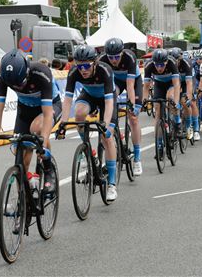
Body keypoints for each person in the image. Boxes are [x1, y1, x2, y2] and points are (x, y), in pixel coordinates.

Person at [0, 49, 61, 194]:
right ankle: (23, 198)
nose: (18, 87)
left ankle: (48, 168)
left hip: (49, 106)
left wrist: (42, 144)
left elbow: (48, 114)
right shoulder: (3, 77)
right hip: (25, 108)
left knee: (36, 130)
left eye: (21, 83)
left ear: (27, 72)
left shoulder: (41, 73)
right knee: (20, 150)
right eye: (14, 86)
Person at [61, 45, 119, 201]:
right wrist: (63, 123)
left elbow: (108, 103)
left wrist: (106, 125)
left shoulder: (104, 70)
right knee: (79, 112)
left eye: (86, 66)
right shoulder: (74, 72)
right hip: (89, 96)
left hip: (107, 99)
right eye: (79, 66)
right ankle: (87, 148)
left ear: (95, 62)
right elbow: (67, 100)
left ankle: (112, 184)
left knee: (107, 138)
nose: (83, 70)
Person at [98, 38, 145, 176]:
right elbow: (105, 89)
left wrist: (133, 105)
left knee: (133, 118)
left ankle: (137, 158)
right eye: (110, 57)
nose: (113, 60)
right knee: (110, 103)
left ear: (122, 53)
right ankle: (117, 137)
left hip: (133, 81)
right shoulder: (102, 59)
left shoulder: (129, 57)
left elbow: (130, 85)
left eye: (116, 57)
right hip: (116, 82)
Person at [143, 49, 183, 137]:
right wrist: (144, 100)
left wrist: (176, 102)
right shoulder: (149, 65)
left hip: (171, 83)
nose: (159, 68)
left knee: (170, 97)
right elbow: (146, 86)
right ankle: (159, 140)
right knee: (157, 108)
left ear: (166, 62)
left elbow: (176, 84)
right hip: (159, 83)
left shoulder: (172, 63)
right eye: (157, 65)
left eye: (161, 65)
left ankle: (178, 122)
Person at [169, 47, 199, 140]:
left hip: (188, 82)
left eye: (177, 59)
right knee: (172, 100)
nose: (176, 62)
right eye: (174, 60)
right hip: (176, 82)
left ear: (180, 58)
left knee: (188, 103)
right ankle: (176, 121)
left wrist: (189, 97)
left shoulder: (186, 63)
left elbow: (189, 84)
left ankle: (194, 129)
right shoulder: (170, 64)